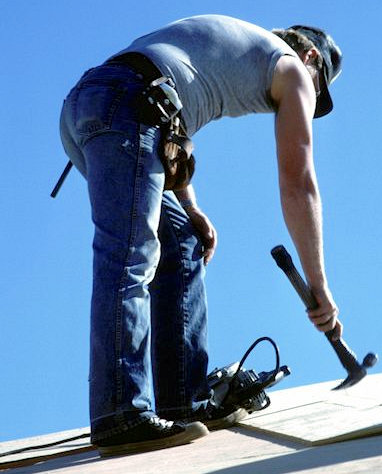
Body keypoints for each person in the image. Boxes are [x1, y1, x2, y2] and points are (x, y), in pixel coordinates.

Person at [59, 14, 343, 457]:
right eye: (317, 88)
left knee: (181, 243)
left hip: (95, 106)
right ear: (311, 57)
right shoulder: (291, 67)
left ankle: (184, 402)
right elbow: (298, 181)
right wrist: (319, 285)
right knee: (131, 255)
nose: (309, 102)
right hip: (128, 106)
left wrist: (190, 207)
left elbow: (167, 110)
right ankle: (120, 413)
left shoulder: (236, 49)